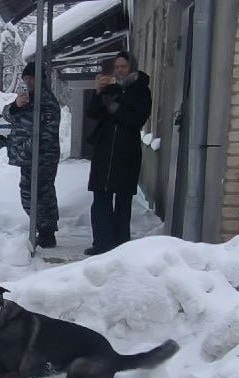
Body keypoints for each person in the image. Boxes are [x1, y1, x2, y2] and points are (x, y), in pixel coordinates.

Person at [85, 51, 152, 255]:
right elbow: (92, 113)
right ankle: (102, 244)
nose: (119, 70)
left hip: (126, 154)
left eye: (123, 66)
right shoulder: (110, 88)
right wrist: (98, 93)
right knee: (100, 199)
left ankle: (120, 246)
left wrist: (115, 108)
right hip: (104, 152)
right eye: (117, 67)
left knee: (123, 202)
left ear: (132, 67)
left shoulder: (141, 90)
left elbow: (137, 119)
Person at [2, 61, 61, 248]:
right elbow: (7, 114)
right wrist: (16, 106)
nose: (28, 82)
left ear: (40, 79)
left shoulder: (46, 102)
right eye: (26, 78)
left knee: (43, 194)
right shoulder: (28, 99)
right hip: (28, 158)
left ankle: (47, 233)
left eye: (31, 78)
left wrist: (25, 150)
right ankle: (41, 227)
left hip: (42, 159)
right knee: (28, 194)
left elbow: (46, 135)